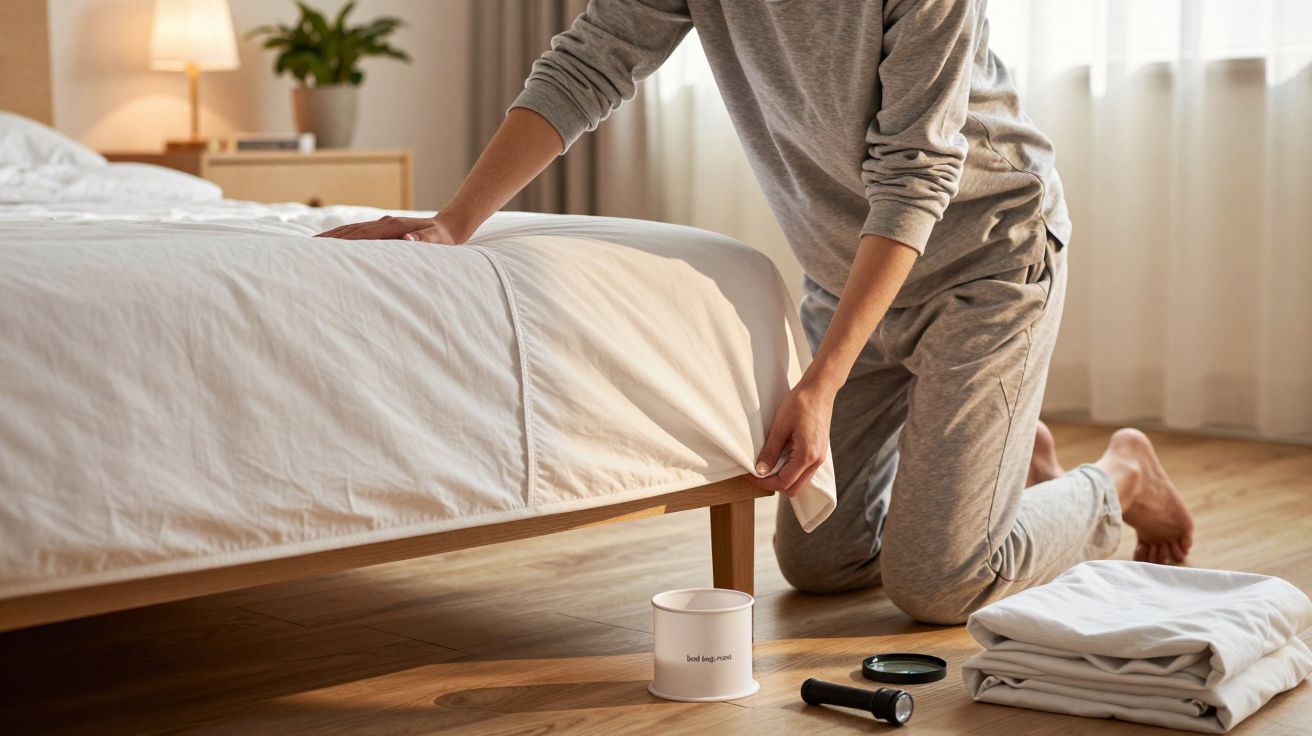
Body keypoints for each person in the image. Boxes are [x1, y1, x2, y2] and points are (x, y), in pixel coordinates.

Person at [318, 0, 1194, 624]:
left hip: (986, 258)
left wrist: (818, 383)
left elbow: (915, 173)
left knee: (938, 588)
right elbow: (589, 64)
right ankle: (1009, 452)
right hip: (846, 273)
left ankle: (1118, 478)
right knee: (819, 562)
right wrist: (452, 222)